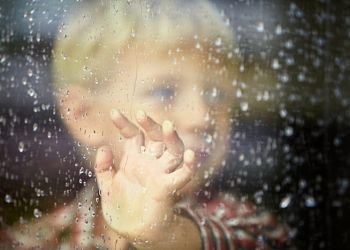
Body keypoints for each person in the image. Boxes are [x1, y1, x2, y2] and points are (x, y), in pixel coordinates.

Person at [0, 0, 291, 249]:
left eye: (217, 95)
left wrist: (164, 233)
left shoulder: (251, 225)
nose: (202, 118)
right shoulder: (31, 241)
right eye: (165, 92)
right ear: (83, 113)